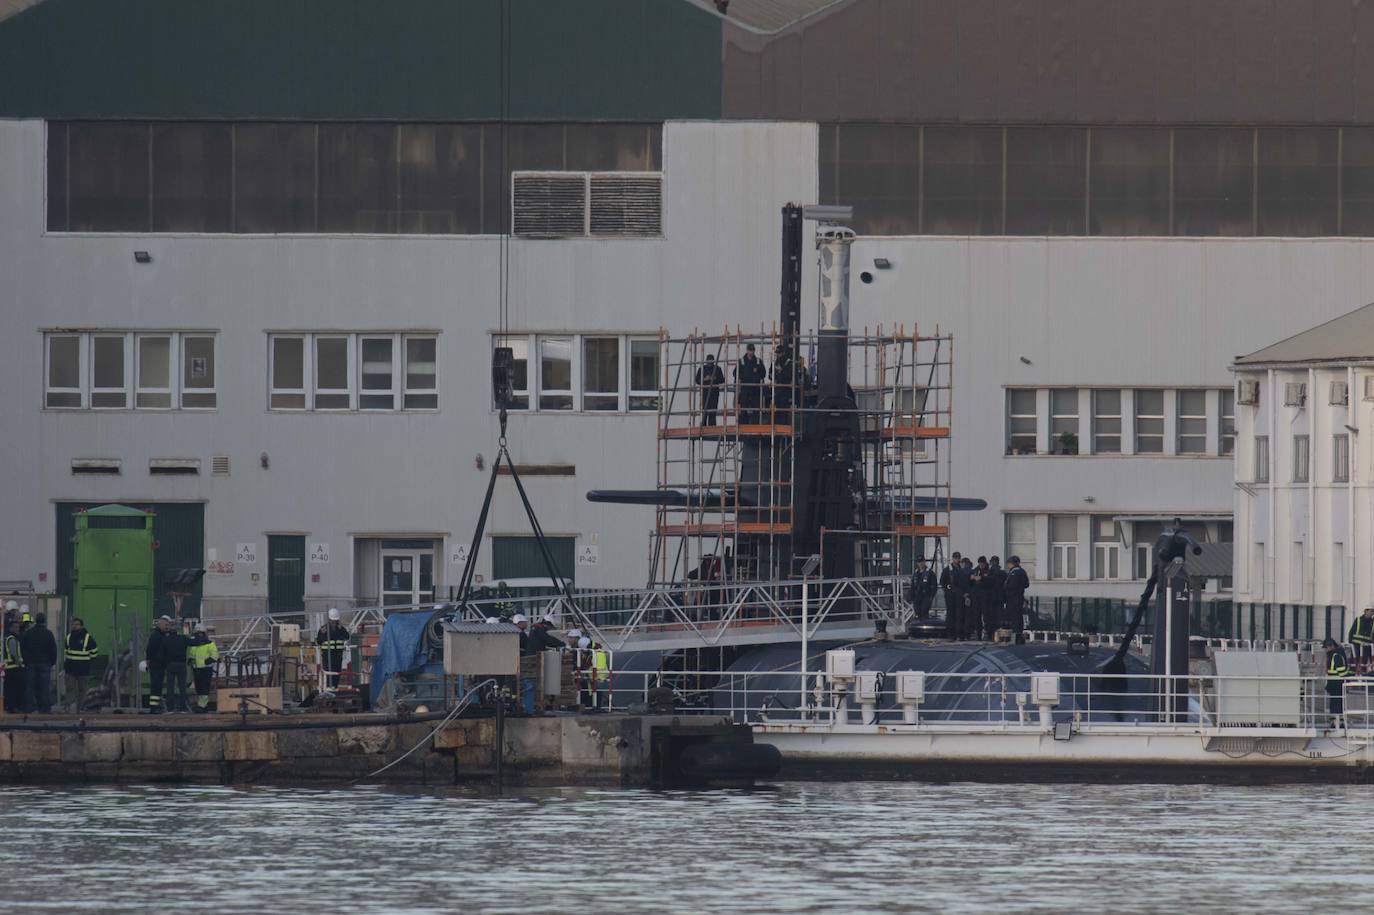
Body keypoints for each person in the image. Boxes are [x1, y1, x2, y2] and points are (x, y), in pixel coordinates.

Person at [19, 612, 58, 713]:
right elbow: (53, 650)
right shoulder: (48, 633)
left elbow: (22, 648)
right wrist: (51, 662)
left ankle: (29, 708)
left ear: (36, 620)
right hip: (45, 663)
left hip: (31, 663)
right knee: (44, 687)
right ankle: (44, 709)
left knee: (30, 687)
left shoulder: (28, 633)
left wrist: (26, 660)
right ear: (44, 621)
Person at [63, 616, 98, 712]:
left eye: (77, 624)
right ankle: (68, 707)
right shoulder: (68, 637)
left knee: (83, 690)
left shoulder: (88, 638)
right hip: (70, 669)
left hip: (83, 669)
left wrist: (85, 661)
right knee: (70, 689)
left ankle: (81, 707)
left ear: (81, 626)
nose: (74, 626)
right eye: (73, 624)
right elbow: (66, 652)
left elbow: (94, 652)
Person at [315, 607, 351, 690]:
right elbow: (318, 641)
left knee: (337, 673)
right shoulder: (323, 629)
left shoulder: (340, 629)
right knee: (328, 673)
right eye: (333, 621)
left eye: (336, 621)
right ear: (329, 619)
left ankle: (335, 688)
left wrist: (341, 629)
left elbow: (347, 636)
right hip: (327, 656)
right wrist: (322, 635)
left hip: (338, 655)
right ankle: (328, 688)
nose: (334, 622)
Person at [186, 626, 219, 713]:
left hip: (206, 669)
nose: (198, 635)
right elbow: (192, 655)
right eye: (197, 634)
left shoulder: (210, 644)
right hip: (196, 669)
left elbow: (215, 655)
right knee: (199, 688)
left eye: (200, 633)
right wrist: (190, 660)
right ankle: (203, 705)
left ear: (204, 634)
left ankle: (202, 706)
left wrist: (208, 661)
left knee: (204, 688)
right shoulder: (194, 645)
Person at [734, 343, 767, 423]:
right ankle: (742, 424)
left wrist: (757, 377)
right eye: (750, 350)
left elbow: (763, 373)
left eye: (752, 350)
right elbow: (735, 373)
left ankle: (755, 424)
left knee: (756, 407)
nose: (751, 352)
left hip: (755, 389)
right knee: (743, 407)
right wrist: (742, 378)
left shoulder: (758, 361)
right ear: (747, 350)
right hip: (745, 388)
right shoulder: (741, 361)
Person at [1324, 637, 1353, 724]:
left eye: (1327, 647)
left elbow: (1341, 672)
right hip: (1336, 684)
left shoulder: (1336, 656)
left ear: (1332, 646)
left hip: (1336, 684)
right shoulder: (1335, 655)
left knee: (1336, 703)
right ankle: (1336, 721)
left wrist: (1349, 676)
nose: (1326, 650)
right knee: (1336, 703)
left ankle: (1336, 722)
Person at [695, 354, 725, 427]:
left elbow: (722, 379)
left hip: (714, 392)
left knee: (713, 410)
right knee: (705, 409)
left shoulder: (717, 369)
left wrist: (714, 378)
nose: (710, 364)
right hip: (705, 392)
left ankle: (712, 426)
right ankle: (704, 425)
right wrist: (705, 379)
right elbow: (697, 380)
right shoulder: (702, 369)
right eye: (709, 362)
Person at [1003, 556, 1030, 634]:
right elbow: (1026, 584)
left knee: (1015, 617)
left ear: (1012, 564)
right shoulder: (1021, 571)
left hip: (1013, 597)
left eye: (1009, 564)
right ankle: (1017, 633)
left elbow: (1011, 585)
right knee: (1017, 616)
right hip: (1017, 597)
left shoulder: (1016, 572)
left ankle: (1016, 633)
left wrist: (1007, 587)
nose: (1008, 566)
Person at [3, 617, 24, 713]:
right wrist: (19, 663)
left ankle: (9, 706)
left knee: (9, 689)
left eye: (18, 627)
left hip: (9, 668)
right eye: (15, 627)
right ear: (11, 628)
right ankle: (11, 707)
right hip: (13, 668)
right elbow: (14, 653)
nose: (17, 629)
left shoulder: (7, 638)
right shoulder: (12, 639)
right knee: (13, 690)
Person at [970, 557, 994, 640]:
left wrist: (982, 578)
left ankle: (987, 632)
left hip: (985, 596)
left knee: (986, 615)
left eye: (982, 563)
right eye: (980, 563)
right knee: (977, 615)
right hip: (976, 595)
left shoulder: (989, 570)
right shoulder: (976, 570)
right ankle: (978, 633)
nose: (981, 565)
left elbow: (992, 581)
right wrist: (972, 578)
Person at [939, 552, 962, 634]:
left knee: (958, 614)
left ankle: (958, 632)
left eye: (958, 558)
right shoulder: (947, 570)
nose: (957, 559)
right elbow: (942, 582)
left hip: (958, 595)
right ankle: (950, 633)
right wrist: (948, 589)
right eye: (956, 558)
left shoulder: (960, 569)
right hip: (950, 595)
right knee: (950, 613)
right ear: (953, 558)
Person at [1349, 607, 1374, 672]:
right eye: (1371, 611)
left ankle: (1362, 678)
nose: (1372, 613)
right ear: (1365, 611)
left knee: (1363, 664)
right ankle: (1352, 678)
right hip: (1356, 646)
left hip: (1366, 647)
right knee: (1354, 663)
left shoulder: (1373, 622)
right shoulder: (1358, 620)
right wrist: (1350, 643)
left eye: (1373, 612)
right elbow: (1351, 632)